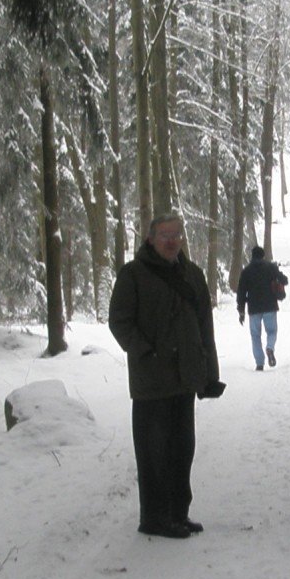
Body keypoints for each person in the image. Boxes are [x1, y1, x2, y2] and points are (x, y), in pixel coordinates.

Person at [108, 213, 223, 538]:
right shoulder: (133, 275)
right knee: (153, 452)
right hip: (151, 382)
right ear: (151, 239)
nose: (171, 241)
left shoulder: (193, 275)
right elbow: (119, 321)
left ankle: (178, 513)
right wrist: (146, 351)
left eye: (176, 235)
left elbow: (204, 330)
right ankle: (156, 519)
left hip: (184, 377)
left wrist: (209, 374)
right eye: (164, 235)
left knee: (182, 448)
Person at [234, 245, 289, 370]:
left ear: (252, 256)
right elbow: (284, 280)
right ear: (263, 255)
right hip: (270, 306)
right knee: (272, 331)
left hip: (253, 308)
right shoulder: (271, 267)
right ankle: (270, 347)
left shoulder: (246, 271)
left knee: (255, 335)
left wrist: (241, 310)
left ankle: (259, 363)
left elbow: (241, 292)